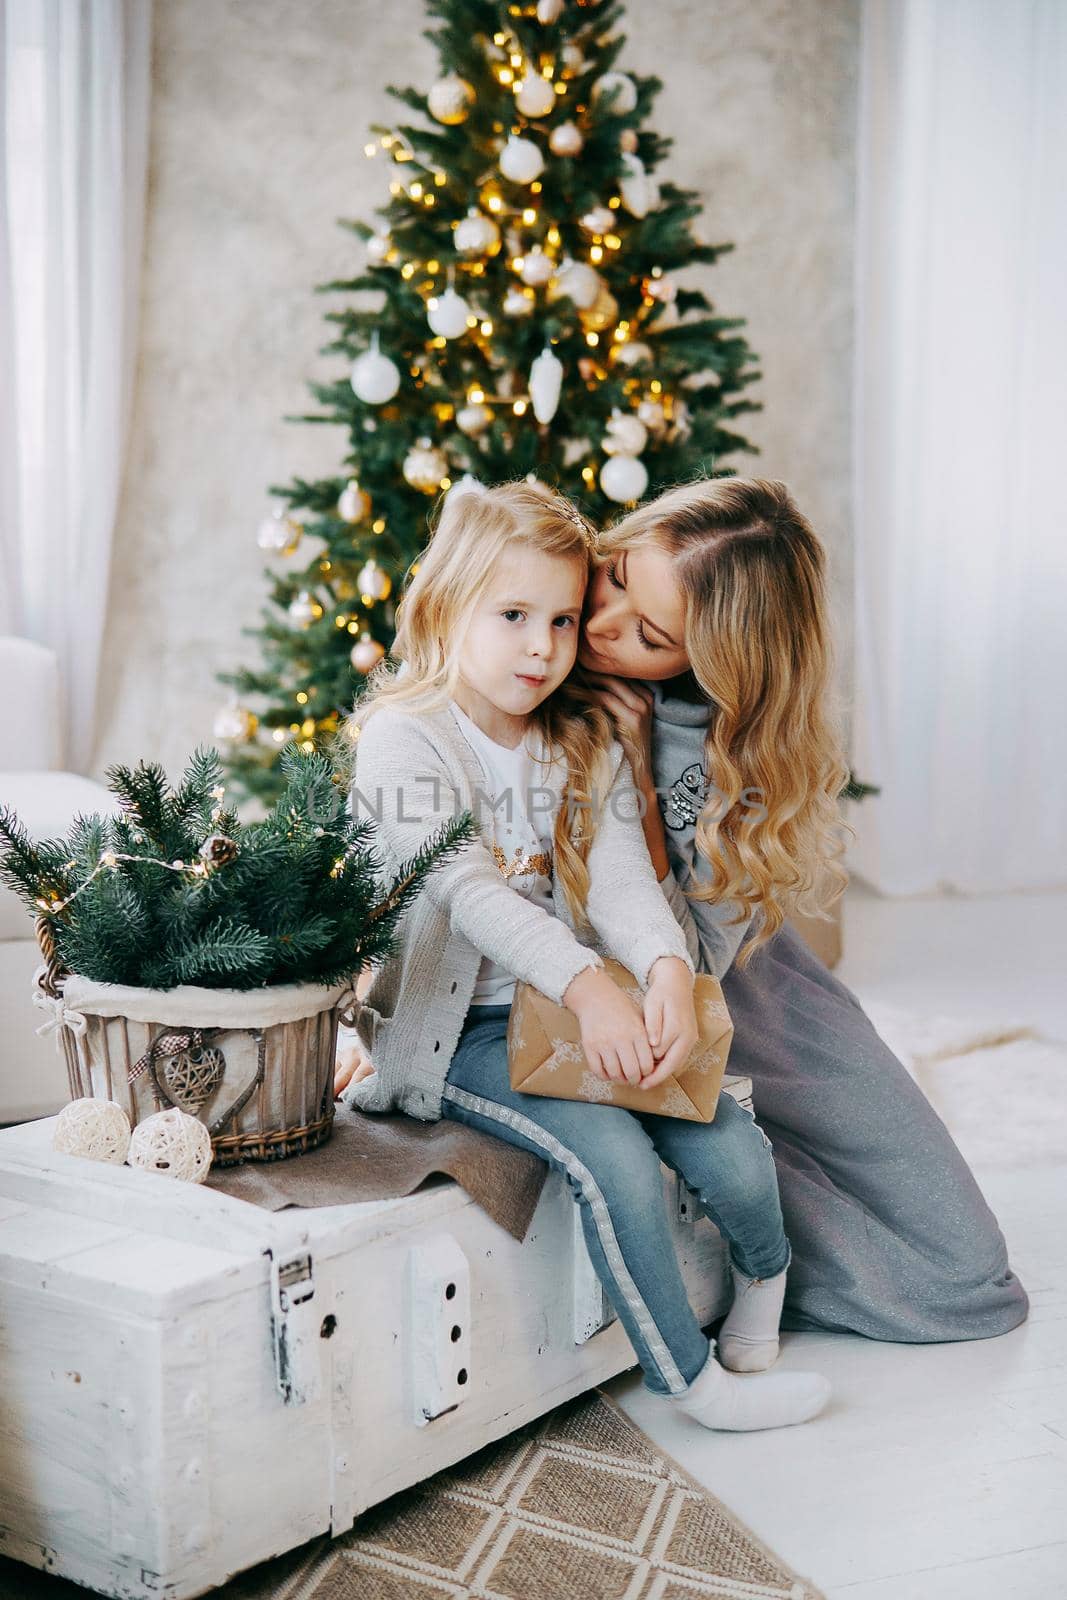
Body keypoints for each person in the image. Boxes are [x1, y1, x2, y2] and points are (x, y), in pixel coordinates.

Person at [339, 477, 830, 1431]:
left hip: (572, 1005)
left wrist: (661, 977)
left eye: (564, 620)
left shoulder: (580, 737)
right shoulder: (403, 745)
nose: (543, 647)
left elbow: (618, 879)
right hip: (459, 1035)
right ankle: (692, 1384)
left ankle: (763, 1283)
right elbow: (467, 891)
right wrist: (586, 986)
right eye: (513, 614)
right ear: (446, 605)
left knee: (724, 1141)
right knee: (610, 1152)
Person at [575, 475, 1028, 1342]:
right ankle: (717, 1218)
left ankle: (730, 1213)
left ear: (709, 662)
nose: (602, 628)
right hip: (602, 1007)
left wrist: (637, 773)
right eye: (619, 578)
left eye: (648, 634)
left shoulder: (727, 752)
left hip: (747, 999)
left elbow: (694, 963)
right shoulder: (539, 632)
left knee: (965, 1274)